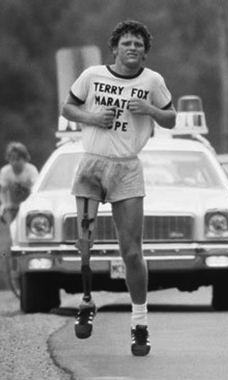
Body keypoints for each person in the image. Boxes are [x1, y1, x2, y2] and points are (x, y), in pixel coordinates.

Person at [61, 20, 176, 356]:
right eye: (127, 43)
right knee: (85, 242)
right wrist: (92, 118)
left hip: (127, 167)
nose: (132, 49)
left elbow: (171, 118)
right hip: (92, 163)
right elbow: (67, 107)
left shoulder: (152, 81)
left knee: (132, 251)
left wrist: (151, 110)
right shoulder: (93, 75)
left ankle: (139, 323)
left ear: (144, 52)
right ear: (115, 48)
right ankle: (86, 301)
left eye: (139, 45)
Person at [0, 142, 39, 225]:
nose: (14, 163)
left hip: (29, 203)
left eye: (17, 159)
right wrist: (5, 204)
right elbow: (3, 191)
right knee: (14, 226)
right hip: (13, 205)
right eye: (12, 159)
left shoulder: (31, 170)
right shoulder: (6, 172)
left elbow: (36, 189)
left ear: (25, 159)